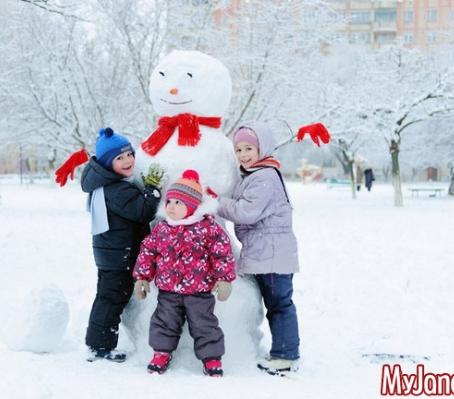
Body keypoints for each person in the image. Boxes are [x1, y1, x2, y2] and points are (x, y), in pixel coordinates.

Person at [208, 121, 300, 375]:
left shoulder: (264, 177)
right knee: (277, 303)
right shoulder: (257, 174)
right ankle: (285, 351)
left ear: (264, 147)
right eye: (238, 150)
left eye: (249, 148)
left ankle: (285, 354)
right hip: (266, 252)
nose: (243, 155)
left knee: (279, 304)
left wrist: (215, 202)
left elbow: (246, 212)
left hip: (271, 255)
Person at [133, 170, 236, 377]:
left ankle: (212, 358)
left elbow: (222, 253)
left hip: (199, 291)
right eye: (169, 201)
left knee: (204, 324)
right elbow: (148, 252)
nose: (170, 206)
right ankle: (161, 352)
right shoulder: (162, 229)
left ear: (192, 206)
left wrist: (224, 279)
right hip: (168, 290)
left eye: (178, 203)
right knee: (164, 322)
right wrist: (142, 277)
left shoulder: (207, 228)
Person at [79, 127, 163, 362]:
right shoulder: (117, 190)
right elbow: (144, 212)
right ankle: (100, 346)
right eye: (119, 158)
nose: (128, 161)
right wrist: (153, 189)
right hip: (119, 256)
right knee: (112, 299)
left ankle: (98, 342)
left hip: (112, 253)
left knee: (108, 297)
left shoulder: (111, 184)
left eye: (129, 154)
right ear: (107, 163)